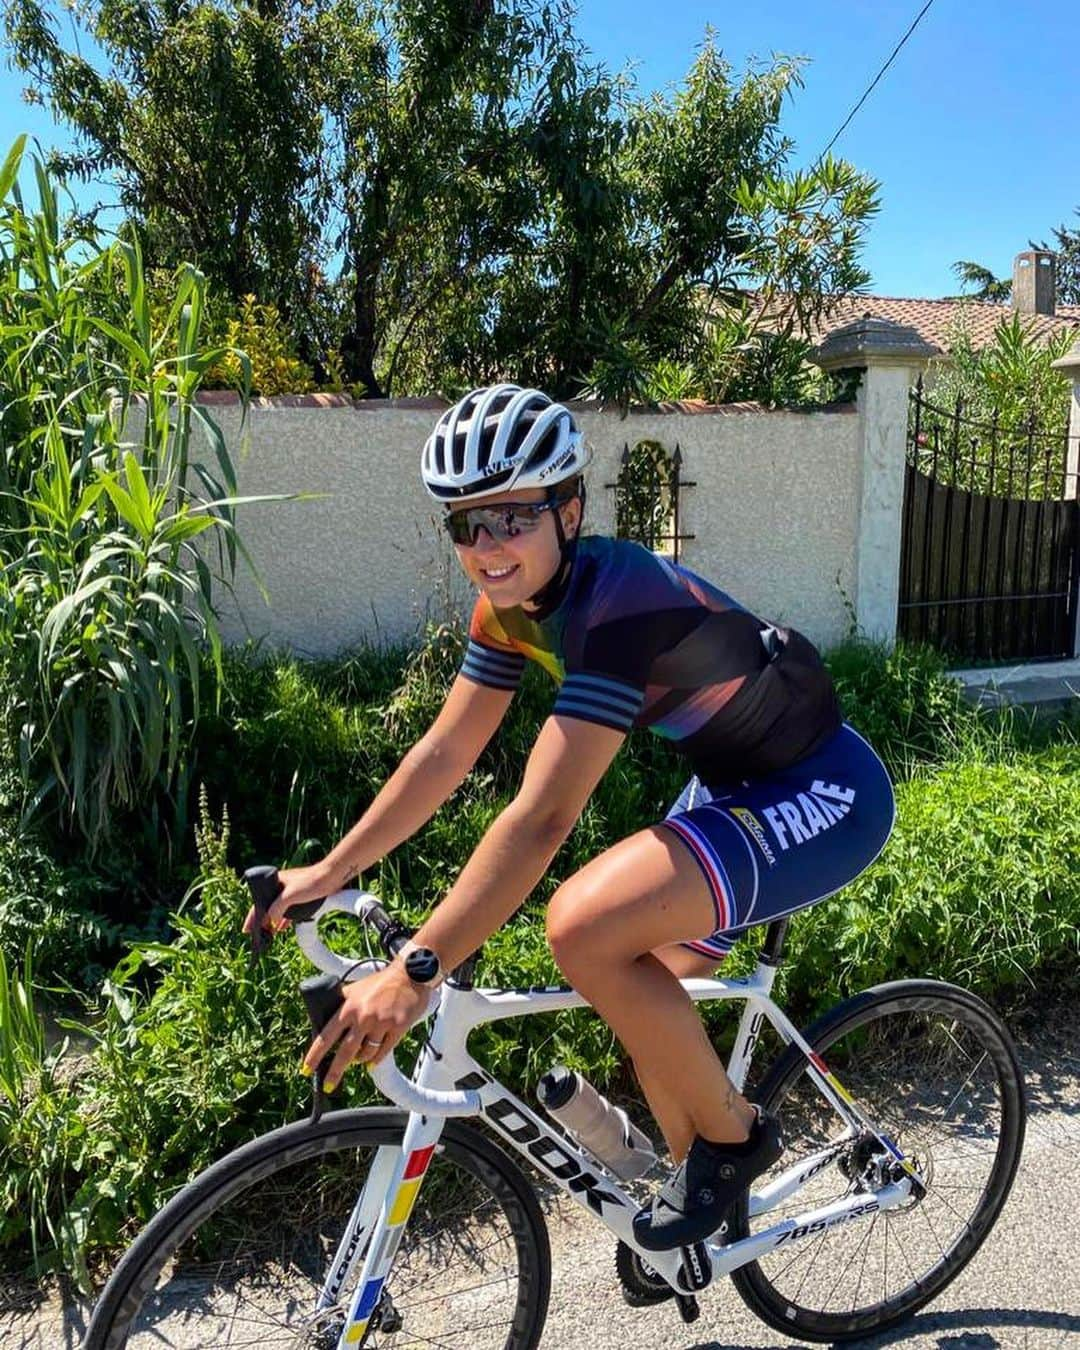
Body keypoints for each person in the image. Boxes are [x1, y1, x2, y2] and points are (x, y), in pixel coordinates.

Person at [245, 383, 895, 1251]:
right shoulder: (507, 612)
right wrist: (329, 872)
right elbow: (444, 753)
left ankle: (735, 1145)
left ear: (570, 507)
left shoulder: (617, 601)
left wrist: (415, 971)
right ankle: (694, 1204)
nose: (488, 547)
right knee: (641, 997)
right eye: (465, 525)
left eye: (512, 517)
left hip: (824, 789)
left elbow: (543, 816)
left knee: (583, 928)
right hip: (731, 783)